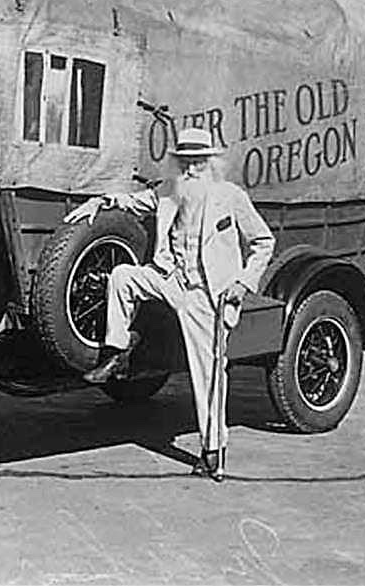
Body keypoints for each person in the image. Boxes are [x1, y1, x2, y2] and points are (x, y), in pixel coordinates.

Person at [64, 127, 275, 481]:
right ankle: (117, 351)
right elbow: (130, 202)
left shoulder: (230, 197)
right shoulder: (167, 192)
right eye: (185, 163)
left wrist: (242, 283)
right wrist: (99, 202)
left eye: (198, 163)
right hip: (171, 279)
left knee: (208, 373)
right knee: (123, 277)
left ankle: (213, 450)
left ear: (211, 164)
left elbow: (263, 241)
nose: (191, 170)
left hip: (207, 294)